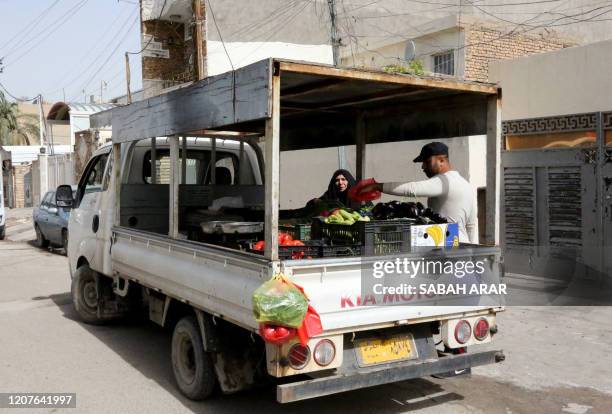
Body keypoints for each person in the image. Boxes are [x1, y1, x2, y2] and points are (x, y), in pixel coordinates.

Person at [358, 142, 478, 244]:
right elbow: (471, 225)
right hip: (462, 245)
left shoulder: (444, 181)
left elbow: (412, 189)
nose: (423, 167)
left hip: (448, 243)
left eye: (427, 161)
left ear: (441, 160)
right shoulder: (465, 184)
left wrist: (377, 186)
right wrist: (472, 252)